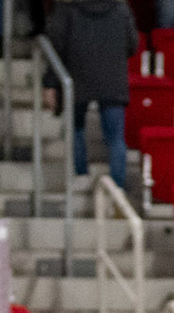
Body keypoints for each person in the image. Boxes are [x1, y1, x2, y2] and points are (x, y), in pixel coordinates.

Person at [43, 0, 136, 192]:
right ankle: (117, 187)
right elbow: (132, 44)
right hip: (112, 80)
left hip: (78, 78)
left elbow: (56, 46)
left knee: (76, 129)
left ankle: (81, 176)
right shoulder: (120, 7)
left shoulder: (66, 7)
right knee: (116, 137)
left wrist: (50, 83)